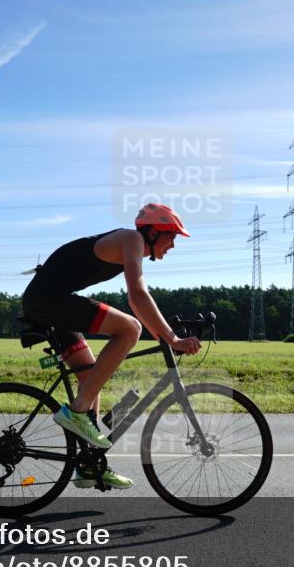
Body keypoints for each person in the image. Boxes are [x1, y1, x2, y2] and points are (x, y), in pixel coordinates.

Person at [21, 203, 202, 490]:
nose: (173, 245)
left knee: (91, 381)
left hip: (51, 302)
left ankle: (89, 467)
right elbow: (138, 297)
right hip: (48, 301)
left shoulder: (132, 247)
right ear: (154, 232)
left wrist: (167, 337)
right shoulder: (132, 239)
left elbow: (140, 299)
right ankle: (76, 413)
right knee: (130, 328)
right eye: (172, 237)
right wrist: (172, 338)